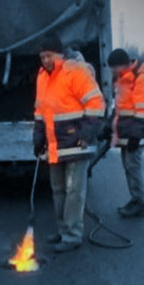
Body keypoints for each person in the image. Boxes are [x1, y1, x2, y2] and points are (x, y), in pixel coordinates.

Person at [33, 34, 105, 252]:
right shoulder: (42, 77)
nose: (45, 61)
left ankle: (72, 235)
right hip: (55, 146)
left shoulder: (75, 72)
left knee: (74, 191)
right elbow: (40, 110)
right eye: (42, 57)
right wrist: (38, 138)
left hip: (76, 142)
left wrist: (86, 133)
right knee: (58, 189)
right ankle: (64, 229)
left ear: (60, 55)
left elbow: (96, 103)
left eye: (49, 56)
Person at [106, 48, 144, 218]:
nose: (113, 73)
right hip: (126, 132)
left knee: (133, 167)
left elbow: (143, 111)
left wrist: (136, 136)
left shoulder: (142, 79)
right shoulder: (123, 78)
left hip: (137, 133)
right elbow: (121, 107)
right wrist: (110, 126)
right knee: (128, 168)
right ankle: (134, 200)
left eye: (115, 69)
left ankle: (140, 203)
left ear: (124, 65)